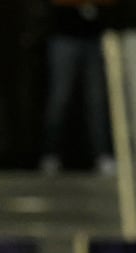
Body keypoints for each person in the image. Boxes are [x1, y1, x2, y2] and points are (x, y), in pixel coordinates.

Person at [38, 0, 118, 176]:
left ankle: (102, 154)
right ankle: (51, 153)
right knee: (60, 98)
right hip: (64, 36)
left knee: (98, 100)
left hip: (95, 37)